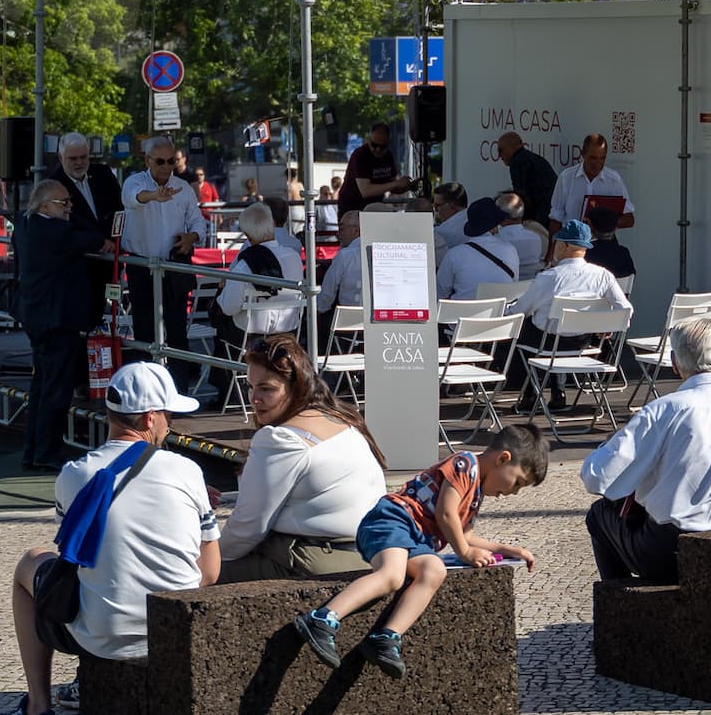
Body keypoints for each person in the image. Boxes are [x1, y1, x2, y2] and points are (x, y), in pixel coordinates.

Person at [9, 363, 219, 715]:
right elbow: (210, 572)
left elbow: (74, 557)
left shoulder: (74, 475)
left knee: (30, 562)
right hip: (173, 627)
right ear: (151, 418)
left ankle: (38, 704)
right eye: (169, 414)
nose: (170, 423)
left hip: (99, 636)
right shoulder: (186, 470)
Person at [292, 426, 547, 677]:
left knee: (434, 571)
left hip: (416, 538)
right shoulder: (465, 464)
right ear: (504, 458)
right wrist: (465, 552)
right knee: (392, 576)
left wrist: (508, 550)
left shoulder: (476, 491)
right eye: (518, 483)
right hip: (392, 520)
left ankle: (385, 637)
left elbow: (465, 535)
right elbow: (446, 515)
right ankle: (321, 619)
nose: (513, 492)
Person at [579, 317, 711, 582]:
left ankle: (622, 608)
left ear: (674, 362)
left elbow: (598, 477)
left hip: (670, 548)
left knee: (600, 515)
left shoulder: (664, 410)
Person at [219, 337, 389, 582]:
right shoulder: (342, 420)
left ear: (295, 388)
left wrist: (207, 563)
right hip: (371, 555)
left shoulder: (282, 440)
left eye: (267, 389)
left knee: (186, 577)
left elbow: (247, 528)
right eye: (250, 386)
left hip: (317, 562)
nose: (254, 398)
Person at [16, 182, 107, 472]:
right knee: (56, 389)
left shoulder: (25, 224)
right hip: (57, 318)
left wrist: (64, 209)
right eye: (63, 203)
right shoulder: (57, 232)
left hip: (36, 315)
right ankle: (46, 452)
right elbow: (93, 237)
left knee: (41, 385)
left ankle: (33, 450)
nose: (69, 207)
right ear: (45, 206)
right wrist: (73, 216)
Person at [507, 220, 633, 412]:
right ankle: (558, 393)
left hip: (546, 342)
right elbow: (625, 309)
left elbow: (520, 311)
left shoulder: (549, 277)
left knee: (526, 328)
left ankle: (531, 392)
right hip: (582, 341)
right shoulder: (603, 275)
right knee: (558, 327)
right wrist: (608, 324)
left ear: (564, 246)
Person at [120, 137, 211, 361]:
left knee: (177, 331)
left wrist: (192, 237)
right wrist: (153, 196)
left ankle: (179, 387)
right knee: (144, 330)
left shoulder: (183, 188)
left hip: (175, 265)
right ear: (147, 160)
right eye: (160, 161)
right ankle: (145, 386)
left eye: (171, 161)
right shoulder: (134, 181)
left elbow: (198, 222)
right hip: (142, 265)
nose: (166, 167)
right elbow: (132, 198)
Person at [48, 131, 124, 332]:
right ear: (60, 158)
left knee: (102, 329)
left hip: (108, 264)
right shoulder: (53, 186)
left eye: (83, 157)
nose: (79, 162)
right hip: (76, 271)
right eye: (73, 158)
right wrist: (98, 241)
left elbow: (119, 209)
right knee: (80, 331)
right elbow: (63, 227)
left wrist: (115, 240)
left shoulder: (103, 174)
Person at [215, 202, 306, 358]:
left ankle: (227, 375)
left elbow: (229, 308)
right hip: (288, 333)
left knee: (219, 318)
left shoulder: (244, 265)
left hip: (251, 337)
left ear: (248, 236)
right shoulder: (294, 257)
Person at [436, 198, 520, 301]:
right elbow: (513, 285)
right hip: (500, 315)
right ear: (494, 226)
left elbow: (440, 293)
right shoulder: (510, 250)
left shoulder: (454, 254)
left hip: (461, 315)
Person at [549, 133, 637, 229]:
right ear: (582, 154)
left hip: (604, 240)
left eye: (602, 158)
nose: (598, 164)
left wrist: (605, 224)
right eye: (593, 158)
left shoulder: (614, 179)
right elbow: (556, 219)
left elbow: (629, 219)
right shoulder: (566, 178)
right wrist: (553, 244)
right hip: (573, 240)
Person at [338, 123, 412, 215]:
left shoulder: (388, 156)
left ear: (388, 142)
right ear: (369, 140)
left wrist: (409, 186)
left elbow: (392, 187)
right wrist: (397, 183)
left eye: (382, 147)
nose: (377, 149)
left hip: (374, 207)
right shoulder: (360, 155)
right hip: (352, 207)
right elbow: (366, 191)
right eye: (374, 145)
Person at [316, 210, 363, 341]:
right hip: (378, 324)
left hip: (347, 325)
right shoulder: (384, 253)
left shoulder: (345, 255)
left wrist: (318, 310)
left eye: (342, 228)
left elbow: (326, 296)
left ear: (356, 231)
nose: (338, 233)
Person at [497, 132, 558, 228]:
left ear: (511, 147)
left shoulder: (518, 162)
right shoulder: (534, 159)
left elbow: (521, 197)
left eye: (500, 150)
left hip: (540, 218)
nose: (499, 155)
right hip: (551, 216)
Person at [494, 191, 546, 281]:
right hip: (530, 285)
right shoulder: (535, 238)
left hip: (506, 288)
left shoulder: (498, 240)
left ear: (502, 216)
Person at [584, 205, 636, 282]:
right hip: (618, 293)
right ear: (616, 227)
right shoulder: (623, 252)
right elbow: (630, 279)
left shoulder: (583, 253)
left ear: (590, 226)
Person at [430, 181, 471, 258]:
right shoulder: (478, 220)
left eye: (437, 205)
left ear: (452, 206)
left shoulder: (442, 232)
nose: (435, 209)